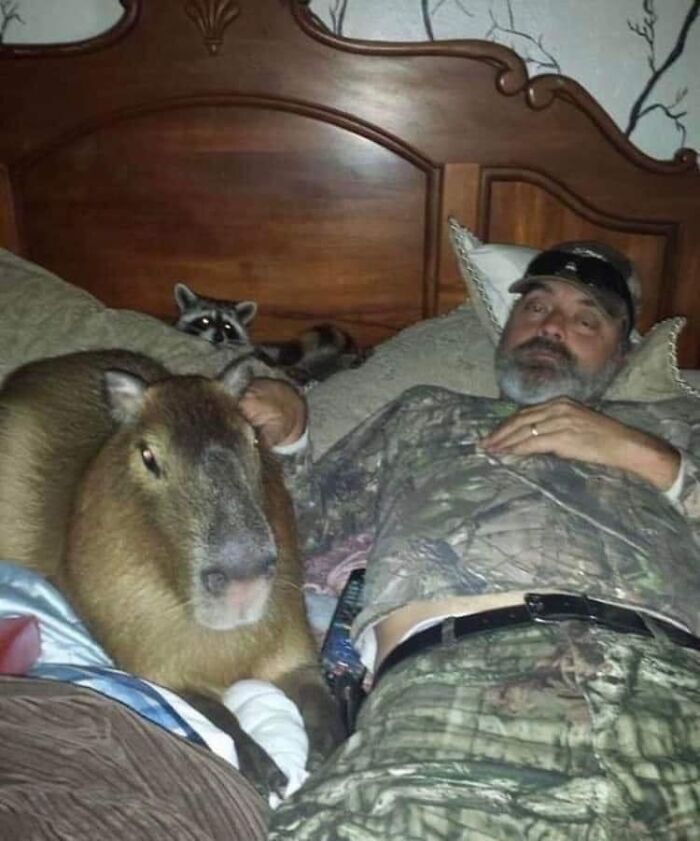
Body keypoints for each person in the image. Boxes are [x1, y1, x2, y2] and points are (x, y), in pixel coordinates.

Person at [241, 242, 700, 841]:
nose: (551, 326)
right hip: (456, 686)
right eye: (535, 307)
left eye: (585, 319)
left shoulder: (677, 426)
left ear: (624, 352)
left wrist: (656, 462)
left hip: (673, 686)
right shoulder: (426, 413)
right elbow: (291, 537)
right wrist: (291, 439)